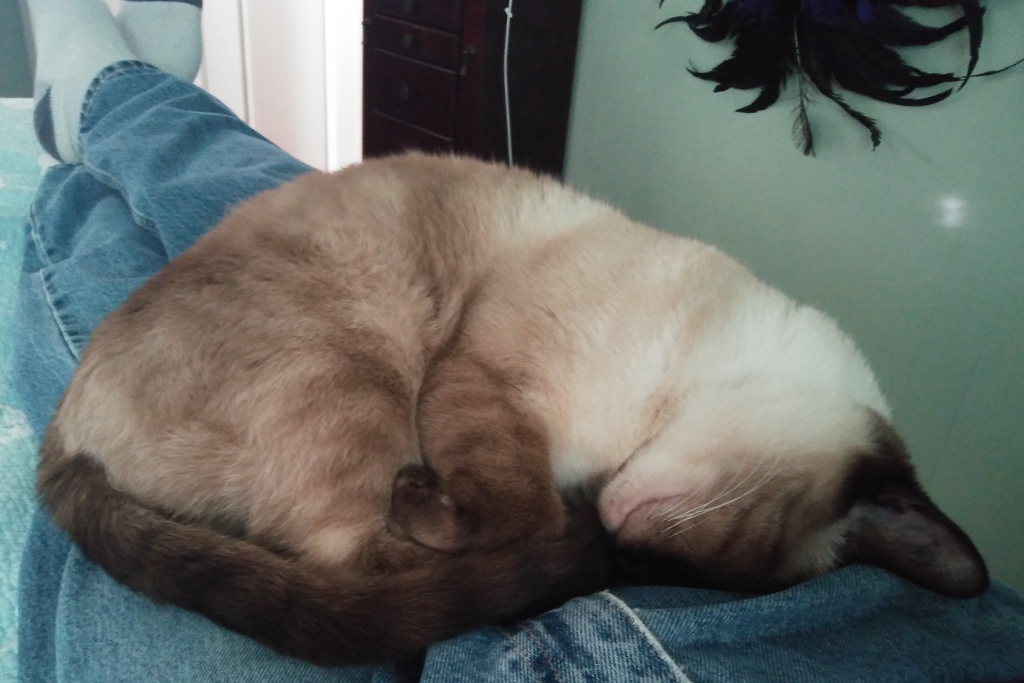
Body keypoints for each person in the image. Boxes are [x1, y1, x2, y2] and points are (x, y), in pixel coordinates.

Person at [13, 1, 1024, 681]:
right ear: (876, 486)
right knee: (226, 233)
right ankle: (107, 93)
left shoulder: (704, 403)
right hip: (346, 283)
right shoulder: (704, 324)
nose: (636, 536)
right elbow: (477, 375)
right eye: (723, 534)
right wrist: (520, 517)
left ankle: (103, 92)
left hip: (220, 366)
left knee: (168, 216)